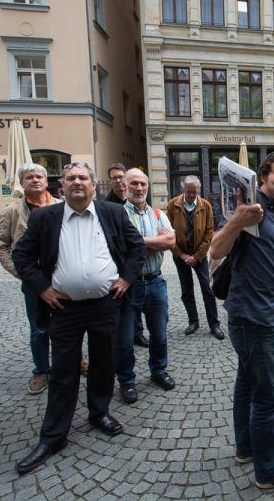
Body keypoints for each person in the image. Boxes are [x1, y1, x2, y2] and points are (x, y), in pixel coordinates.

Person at [12, 162, 145, 474]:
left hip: (105, 305)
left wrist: (127, 278)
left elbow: (137, 247)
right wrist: (42, 288)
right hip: (64, 309)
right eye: (70, 178)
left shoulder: (113, 213)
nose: (76, 182)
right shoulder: (46, 217)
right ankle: (54, 435)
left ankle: (99, 413)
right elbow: (21, 255)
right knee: (63, 371)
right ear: (62, 186)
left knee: (103, 363)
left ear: (93, 185)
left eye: (83, 177)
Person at [209, 151, 274, 489]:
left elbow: (256, 252)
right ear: (262, 177)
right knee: (266, 396)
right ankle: (268, 471)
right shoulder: (250, 208)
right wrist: (237, 219)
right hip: (253, 317)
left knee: (246, 384)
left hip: (258, 312)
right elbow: (216, 249)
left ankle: (246, 447)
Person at [0, 164, 62, 395]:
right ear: (22, 183)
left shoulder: (61, 206)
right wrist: (20, 272)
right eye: (29, 177)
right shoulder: (13, 211)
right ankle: (41, 371)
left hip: (62, 278)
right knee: (39, 329)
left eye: (39, 176)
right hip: (33, 282)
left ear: (46, 181)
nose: (35, 180)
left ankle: (72, 362)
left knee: (67, 325)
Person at [117, 168, 176, 404]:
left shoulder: (158, 214)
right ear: (125, 185)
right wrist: (154, 243)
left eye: (143, 184)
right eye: (134, 183)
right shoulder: (117, 215)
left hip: (155, 282)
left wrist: (137, 245)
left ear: (148, 187)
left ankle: (159, 371)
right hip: (128, 285)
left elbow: (171, 241)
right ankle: (126, 380)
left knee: (159, 334)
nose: (139, 188)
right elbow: (119, 248)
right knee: (124, 338)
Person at [166, 175, 223, 340]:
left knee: (207, 289)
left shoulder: (206, 206)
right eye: (188, 191)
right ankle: (193, 321)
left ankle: (214, 324)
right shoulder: (173, 205)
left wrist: (197, 256)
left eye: (194, 191)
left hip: (200, 255)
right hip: (180, 255)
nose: (191, 194)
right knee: (186, 290)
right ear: (183, 188)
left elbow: (209, 233)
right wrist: (182, 255)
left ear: (198, 189)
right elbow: (168, 233)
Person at [106, 162, 149, 348]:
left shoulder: (140, 201)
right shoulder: (107, 205)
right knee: (124, 307)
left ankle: (137, 333)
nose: (118, 181)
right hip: (119, 268)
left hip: (139, 266)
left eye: (120, 177)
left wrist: (141, 241)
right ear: (110, 181)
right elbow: (117, 241)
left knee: (136, 305)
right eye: (114, 178)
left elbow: (166, 240)